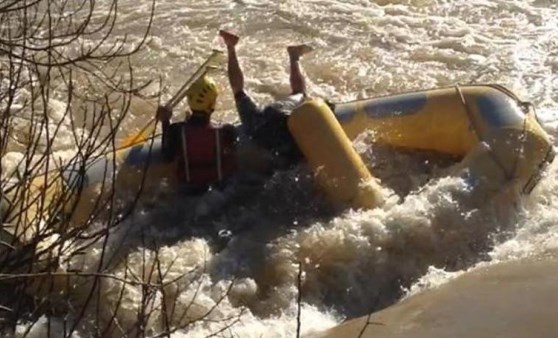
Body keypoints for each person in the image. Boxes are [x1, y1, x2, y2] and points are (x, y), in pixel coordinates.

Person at [219, 29, 314, 173]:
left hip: (261, 123)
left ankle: (230, 46)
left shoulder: (255, 132)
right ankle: (294, 56)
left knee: (238, 91)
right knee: (300, 93)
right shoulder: (287, 148)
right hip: (276, 119)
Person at [156, 75, 237, 195]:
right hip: (219, 193)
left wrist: (165, 122)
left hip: (187, 193)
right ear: (212, 104)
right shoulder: (226, 132)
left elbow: (166, 158)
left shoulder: (177, 131)